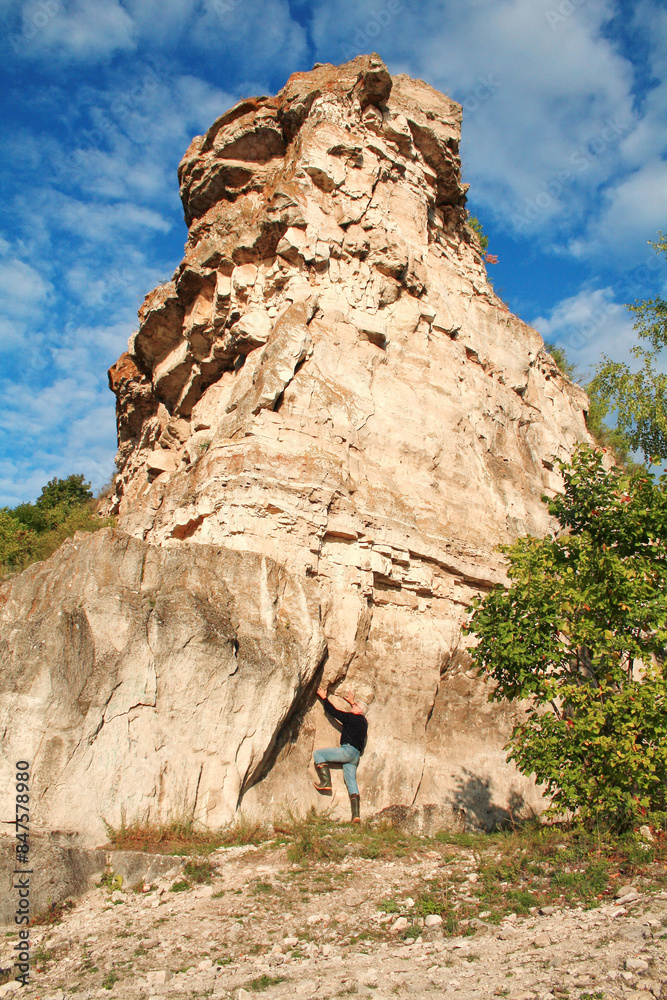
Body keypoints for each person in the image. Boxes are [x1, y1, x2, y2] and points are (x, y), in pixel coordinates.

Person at [312, 686, 368, 823]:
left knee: (318, 754)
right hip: (355, 756)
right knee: (351, 782)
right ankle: (356, 815)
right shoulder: (364, 723)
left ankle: (326, 782)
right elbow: (357, 710)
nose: (352, 708)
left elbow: (335, 713)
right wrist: (352, 702)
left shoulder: (351, 718)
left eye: (355, 707)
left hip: (347, 750)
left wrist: (324, 697)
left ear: (359, 711)